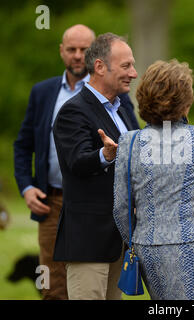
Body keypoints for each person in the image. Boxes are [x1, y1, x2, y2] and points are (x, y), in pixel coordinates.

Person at [113, 59, 194, 300]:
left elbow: (120, 208)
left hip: (146, 246)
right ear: (185, 101)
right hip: (191, 243)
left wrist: (135, 241)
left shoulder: (128, 143)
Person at [52, 32, 139, 300]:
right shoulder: (73, 111)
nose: (134, 73)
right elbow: (76, 161)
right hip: (88, 242)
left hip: (120, 240)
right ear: (100, 67)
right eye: (126, 66)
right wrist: (105, 155)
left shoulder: (123, 108)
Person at [13, 24, 96, 300]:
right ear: (61, 51)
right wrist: (26, 187)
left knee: (88, 286)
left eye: (84, 50)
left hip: (91, 205)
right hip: (50, 202)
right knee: (52, 287)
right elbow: (23, 145)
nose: (77, 55)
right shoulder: (43, 92)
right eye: (71, 49)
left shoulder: (107, 92)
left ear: (95, 53)